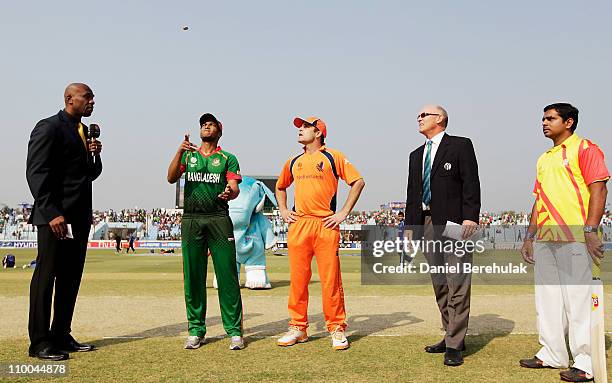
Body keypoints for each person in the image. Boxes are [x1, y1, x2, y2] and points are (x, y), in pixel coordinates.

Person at [519, 103, 609, 382]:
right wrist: (529, 235)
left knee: (579, 301)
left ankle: (586, 361)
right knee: (548, 299)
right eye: (543, 118)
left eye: (551, 118)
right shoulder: (544, 158)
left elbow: (599, 189)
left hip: (576, 237)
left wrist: (591, 230)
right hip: (547, 238)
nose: (544, 123)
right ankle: (552, 352)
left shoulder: (586, 149)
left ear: (568, 122)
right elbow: (539, 199)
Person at [26, 83, 102, 361]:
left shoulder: (82, 131)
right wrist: (51, 212)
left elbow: (89, 175)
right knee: (46, 277)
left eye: (93, 97)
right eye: (87, 96)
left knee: (70, 278)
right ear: (70, 99)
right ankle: (40, 341)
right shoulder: (49, 127)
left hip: (79, 217)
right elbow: (36, 172)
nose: (92, 101)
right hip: (55, 217)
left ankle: (61, 334)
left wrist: (95, 153)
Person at [275, 116, 365, 350]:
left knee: (330, 280)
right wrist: (284, 209)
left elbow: (358, 182)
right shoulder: (293, 160)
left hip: (326, 224)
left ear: (318, 133)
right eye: (299, 127)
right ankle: (298, 327)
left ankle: (336, 328)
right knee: (298, 280)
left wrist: (343, 212)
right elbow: (280, 186)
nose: (300, 130)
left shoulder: (332, 156)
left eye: (305, 127)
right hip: (299, 225)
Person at [404, 105, 480, 366]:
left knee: (457, 280)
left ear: (440, 119)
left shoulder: (460, 145)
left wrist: (471, 216)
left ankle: (455, 344)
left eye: (424, 114)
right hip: (425, 223)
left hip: (455, 222)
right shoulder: (416, 155)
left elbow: (471, 182)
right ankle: (450, 334)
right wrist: (410, 230)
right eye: (419, 115)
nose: (419, 117)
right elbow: (412, 194)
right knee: (440, 283)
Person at [167, 113, 245, 351]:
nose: (206, 127)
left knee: (227, 274)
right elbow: (171, 178)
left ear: (219, 130)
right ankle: (195, 330)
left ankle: (234, 331)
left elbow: (234, 187)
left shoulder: (227, 158)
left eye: (210, 124)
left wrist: (228, 193)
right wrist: (179, 151)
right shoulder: (188, 154)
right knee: (193, 276)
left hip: (218, 218)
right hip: (191, 219)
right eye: (203, 124)